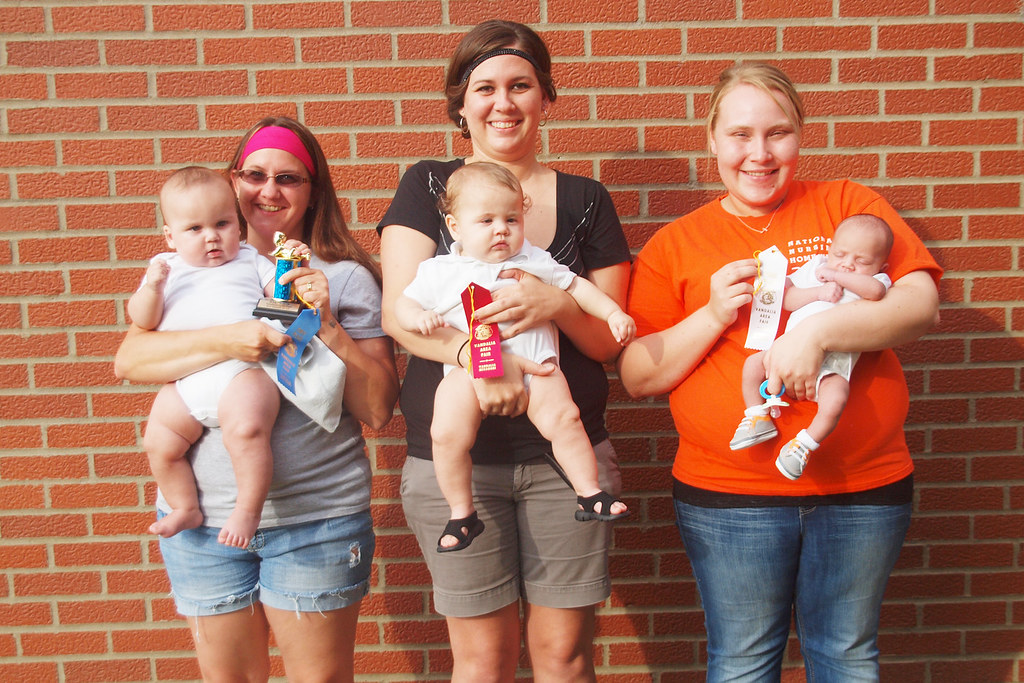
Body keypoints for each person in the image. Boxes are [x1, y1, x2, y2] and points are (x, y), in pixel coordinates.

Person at [618, 63, 941, 681]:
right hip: (730, 495)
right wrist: (714, 312)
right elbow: (638, 374)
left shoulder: (848, 206)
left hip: (860, 488)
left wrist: (818, 332)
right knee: (741, 662)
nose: (759, 154)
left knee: (846, 656)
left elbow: (917, 304)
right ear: (711, 139)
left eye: (778, 133)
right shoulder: (676, 245)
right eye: (740, 134)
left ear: (801, 135)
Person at [377, 20, 632, 681]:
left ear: (546, 95)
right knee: (482, 661)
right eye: (484, 87)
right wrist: (477, 358)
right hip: (458, 461)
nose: (504, 102)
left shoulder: (585, 200)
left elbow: (607, 339)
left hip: (561, 464)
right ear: (460, 104)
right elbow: (400, 315)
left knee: (563, 658)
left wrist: (558, 305)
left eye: (521, 85)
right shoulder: (430, 188)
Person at [114, 116, 399, 682]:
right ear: (233, 181)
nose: (269, 191)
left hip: (314, 521)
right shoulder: (186, 272)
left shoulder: (344, 278)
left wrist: (327, 325)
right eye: (255, 174)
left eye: (289, 178)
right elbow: (131, 361)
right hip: (203, 526)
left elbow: (377, 409)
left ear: (313, 192)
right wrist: (229, 339)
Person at [395, 162, 633, 552]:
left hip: (538, 368)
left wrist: (613, 313)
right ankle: (461, 512)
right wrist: (419, 317)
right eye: (485, 220)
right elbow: (402, 308)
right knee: (446, 433)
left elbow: (579, 289)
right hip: (468, 372)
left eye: (511, 218)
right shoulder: (440, 270)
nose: (501, 229)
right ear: (455, 227)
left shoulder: (533, 260)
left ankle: (589, 493)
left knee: (566, 419)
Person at [128, 166, 311, 549]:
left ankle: (247, 509)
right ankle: (184, 506)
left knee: (246, 430)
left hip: (243, 372)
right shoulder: (167, 269)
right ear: (170, 237)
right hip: (188, 380)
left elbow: (281, 298)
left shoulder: (249, 260)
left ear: (238, 225)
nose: (211, 237)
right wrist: (153, 287)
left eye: (223, 223)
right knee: (159, 442)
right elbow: (142, 321)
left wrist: (293, 266)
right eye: (194, 229)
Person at [732, 213, 894, 480]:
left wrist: (834, 276)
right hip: (785, 353)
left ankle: (803, 445)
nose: (847, 265)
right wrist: (817, 292)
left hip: (831, 367)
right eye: (840, 254)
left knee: (837, 399)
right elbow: (788, 300)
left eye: (861, 260)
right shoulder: (815, 266)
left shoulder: (876, 282)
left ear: (881, 266)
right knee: (751, 366)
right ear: (829, 248)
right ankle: (756, 416)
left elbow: (875, 293)